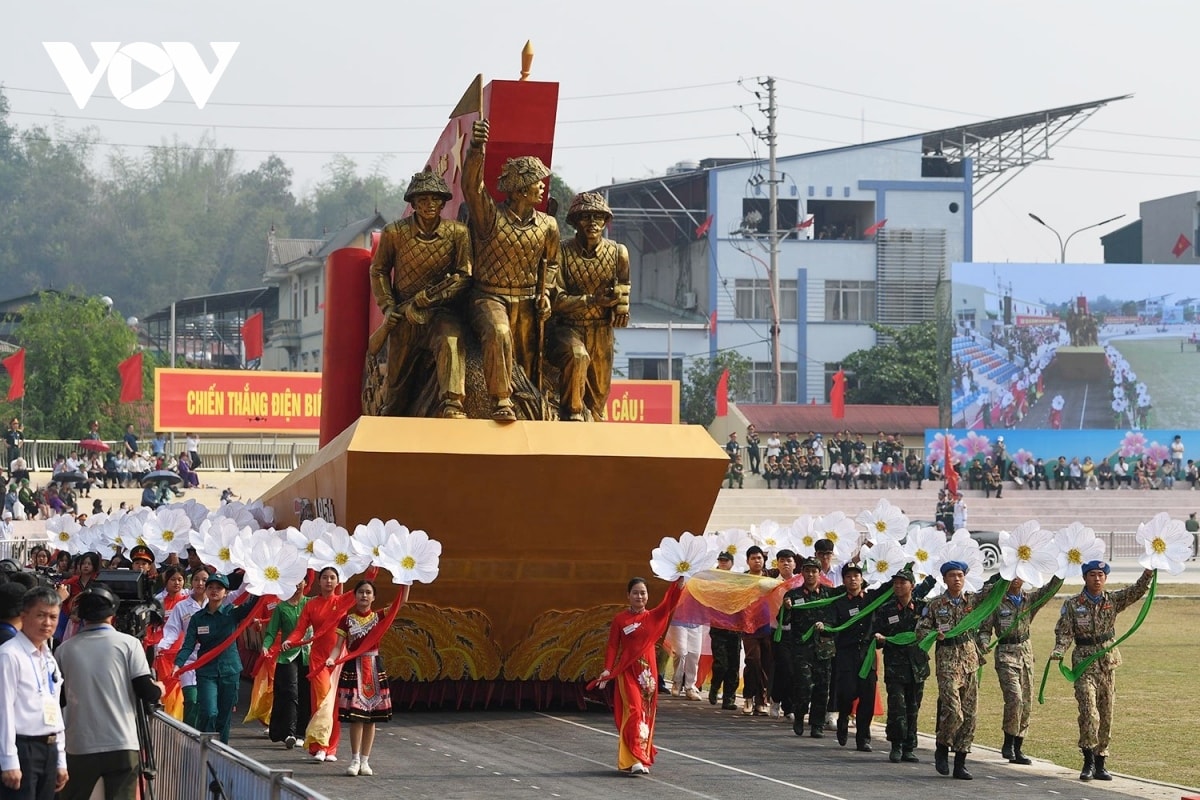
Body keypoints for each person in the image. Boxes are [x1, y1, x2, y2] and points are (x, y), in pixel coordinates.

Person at [462, 118, 559, 420]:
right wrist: (477, 148)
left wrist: (547, 294)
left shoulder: (548, 225)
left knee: (529, 360)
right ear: (518, 189)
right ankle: (501, 400)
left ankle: (534, 406)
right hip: (488, 297)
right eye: (536, 181)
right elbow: (472, 187)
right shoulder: (489, 216)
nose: (542, 185)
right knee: (499, 331)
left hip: (529, 300)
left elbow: (553, 264)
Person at [367, 170, 472, 419]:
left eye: (434, 199)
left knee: (451, 341)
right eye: (422, 200)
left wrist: (435, 298)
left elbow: (464, 275)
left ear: (443, 202)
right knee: (396, 387)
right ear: (412, 203)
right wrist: (389, 307)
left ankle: (452, 403)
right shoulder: (395, 232)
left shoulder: (458, 233)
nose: (428, 205)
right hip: (404, 312)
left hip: (441, 311)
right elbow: (379, 270)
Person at [55, 584, 164, 800]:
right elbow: (146, 691)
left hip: (79, 745)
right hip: (122, 743)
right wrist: (158, 688)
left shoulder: (64, 650)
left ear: (81, 616)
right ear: (112, 614)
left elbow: (60, 699)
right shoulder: (129, 644)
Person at [1052, 561, 1153, 781]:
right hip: (1084, 664)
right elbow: (1065, 632)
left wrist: (1148, 573)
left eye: (1100, 575)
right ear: (1084, 578)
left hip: (1107, 663)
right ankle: (1087, 761)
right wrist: (1059, 650)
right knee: (1089, 712)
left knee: (1106, 714)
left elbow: (1136, 591)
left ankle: (1100, 762)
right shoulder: (1073, 604)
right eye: (1092, 575)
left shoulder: (1113, 600)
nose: (1097, 579)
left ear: (1105, 578)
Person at [547, 192, 630, 421]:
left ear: (605, 221)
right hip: (567, 328)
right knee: (578, 356)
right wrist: (592, 300)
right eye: (585, 217)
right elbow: (557, 300)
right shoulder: (562, 251)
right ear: (574, 221)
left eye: (598, 217)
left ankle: (593, 437)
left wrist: (620, 306)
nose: (592, 223)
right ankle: (572, 416)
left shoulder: (618, 253)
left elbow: (624, 286)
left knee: (598, 399)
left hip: (601, 331)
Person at [282, 566, 376, 763]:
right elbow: (300, 629)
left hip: (339, 658)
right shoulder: (311, 605)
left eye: (332, 578)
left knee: (335, 705)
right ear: (319, 581)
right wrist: (290, 640)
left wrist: (372, 567)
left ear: (337, 581)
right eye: (325, 577)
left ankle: (331, 748)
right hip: (319, 660)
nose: (328, 581)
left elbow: (364, 584)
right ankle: (320, 746)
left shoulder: (342, 600)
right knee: (322, 701)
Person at [914, 561, 998, 780]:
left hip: (969, 659)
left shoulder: (972, 600)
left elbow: (993, 587)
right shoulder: (935, 604)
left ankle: (960, 762)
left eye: (960, 575)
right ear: (944, 579)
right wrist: (934, 635)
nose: (957, 579)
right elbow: (921, 630)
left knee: (970, 714)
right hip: (947, 661)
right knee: (953, 709)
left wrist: (1012, 569)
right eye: (952, 575)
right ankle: (942, 746)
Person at [596, 576, 686, 775]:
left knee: (646, 715)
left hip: (648, 674)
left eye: (643, 592)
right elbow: (612, 646)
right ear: (628, 595)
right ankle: (635, 756)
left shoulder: (653, 616)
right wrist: (608, 669)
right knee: (635, 711)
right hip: (627, 671)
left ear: (647, 596)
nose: (639, 596)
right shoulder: (620, 619)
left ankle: (639, 757)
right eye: (635, 592)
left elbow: (669, 602)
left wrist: (678, 585)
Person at [984, 573, 1063, 766]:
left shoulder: (1030, 599)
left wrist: (1063, 569)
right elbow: (985, 629)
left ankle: (1018, 746)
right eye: (1012, 575)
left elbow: (1050, 589)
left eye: (1019, 575)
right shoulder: (996, 601)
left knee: (1026, 702)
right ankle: (1008, 742)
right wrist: (984, 642)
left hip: (1025, 654)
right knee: (1015, 698)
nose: (1015, 579)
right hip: (1005, 653)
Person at [327, 580, 403, 777]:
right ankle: (354, 760)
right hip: (354, 668)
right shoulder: (347, 620)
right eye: (361, 592)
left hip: (374, 667)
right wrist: (331, 658)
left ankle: (366, 761)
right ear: (355, 596)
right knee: (356, 718)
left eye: (368, 592)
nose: (364, 595)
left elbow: (400, 602)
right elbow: (338, 646)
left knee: (371, 719)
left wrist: (406, 580)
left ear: (373, 597)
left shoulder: (379, 616)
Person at [172, 574, 258, 744]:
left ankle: (221, 752)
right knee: (209, 712)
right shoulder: (198, 618)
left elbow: (252, 604)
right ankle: (205, 747)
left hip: (230, 671)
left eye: (219, 588)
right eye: (211, 587)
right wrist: (178, 664)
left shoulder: (232, 613)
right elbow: (188, 645)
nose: (214, 591)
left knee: (224, 717)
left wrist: (264, 584)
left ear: (226, 592)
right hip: (206, 672)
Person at [0, 586, 68, 800]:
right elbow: (4, 710)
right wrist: (9, 760)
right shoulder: (9, 655)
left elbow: (55, 708)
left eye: (53, 617)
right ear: (24, 616)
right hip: (22, 748)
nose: (47, 623)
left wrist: (60, 760)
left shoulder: (48, 658)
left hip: (49, 748)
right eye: (40, 615)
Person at [873, 568, 934, 763]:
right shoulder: (886, 609)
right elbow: (876, 635)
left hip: (917, 666)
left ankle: (909, 746)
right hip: (895, 667)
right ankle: (896, 745)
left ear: (912, 586)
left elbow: (934, 627)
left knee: (913, 707)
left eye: (903, 582)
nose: (898, 586)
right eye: (896, 583)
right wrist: (879, 639)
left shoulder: (924, 609)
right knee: (897, 706)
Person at [781, 556, 834, 738]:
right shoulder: (793, 595)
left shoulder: (829, 594)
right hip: (801, 648)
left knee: (822, 687)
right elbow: (783, 621)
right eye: (807, 571)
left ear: (819, 573)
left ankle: (817, 724)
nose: (811, 574)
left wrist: (826, 626)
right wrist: (786, 608)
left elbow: (836, 618)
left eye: (814, 571)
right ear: (802, 573)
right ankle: (799, 715)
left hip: (824, 648)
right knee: (804, 686)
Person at [262, 580, 311, 750]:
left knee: (306, 693)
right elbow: (271, 632)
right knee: (290, 692)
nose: (297, 585)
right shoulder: (281, 608)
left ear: (306, 583)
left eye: (300, 581)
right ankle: (289, 732)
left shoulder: (310, 603)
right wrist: (265, 646)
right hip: (288, 655)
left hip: (309, 655)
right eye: (294, 581)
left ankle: (302, 732)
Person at [157, 568, 209, 728]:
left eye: (205, 580)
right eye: (196, 579)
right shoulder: (182, 606)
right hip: (189, 660)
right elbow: (172, 630)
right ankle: (189, 736)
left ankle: (207, 739)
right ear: (191, 582)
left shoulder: (217, 602)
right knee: (191, 700)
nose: (200, 583)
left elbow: (241, 595)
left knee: (209, 705)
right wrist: (161, 646)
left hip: (211, 660)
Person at [739, 546, 773, 715]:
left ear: (764, 560)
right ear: (747, 561)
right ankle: (748, 697)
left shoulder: (771, 577)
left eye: (759, 558)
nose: (757, 561)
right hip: (749, 627)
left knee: (766, 664)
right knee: (753, 661)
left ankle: (761, 700)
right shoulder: (742, 580)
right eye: (753, 558)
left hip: (768, 627)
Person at [707, 552, 740, 709]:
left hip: (734, 628)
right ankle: (714, 687)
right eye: (720, 560)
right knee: (721, 663)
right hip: (718, 627)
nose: (723, 563)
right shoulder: (712, 580)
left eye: (726, 561)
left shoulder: (738, 581)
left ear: (731, 563)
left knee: (733, 665)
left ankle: (729, 698)